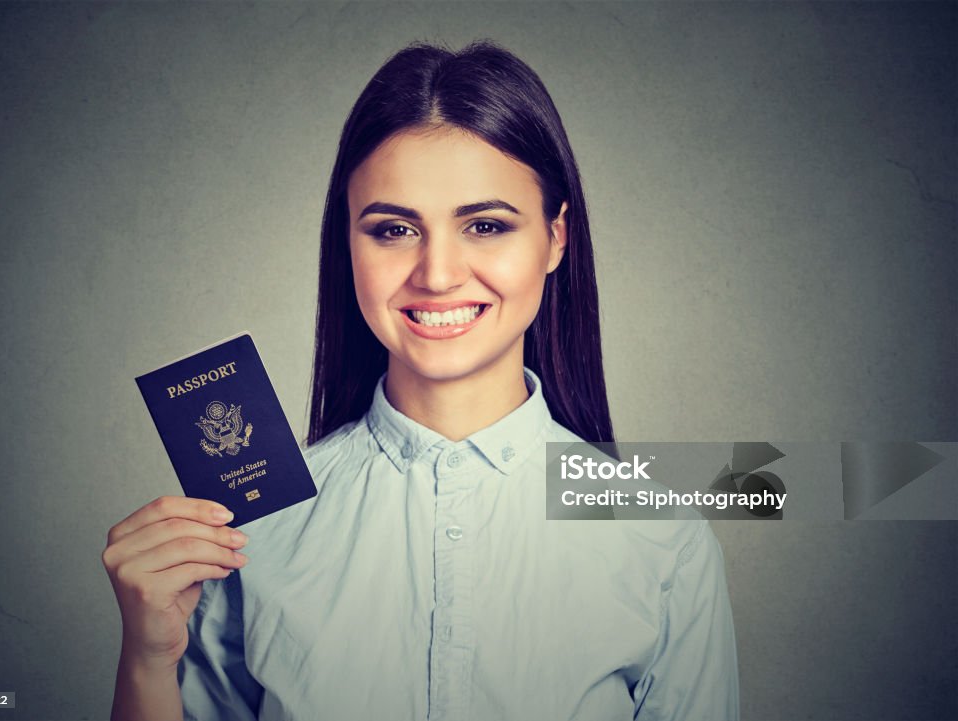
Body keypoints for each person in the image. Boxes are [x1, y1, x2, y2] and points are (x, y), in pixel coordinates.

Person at [102, 40, 740, 721]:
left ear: (556, 238)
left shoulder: (662, 536)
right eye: (395, 228)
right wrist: (146, 661)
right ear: (347, 242)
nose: (437, 274)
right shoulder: (255, 536)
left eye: (486, 224)